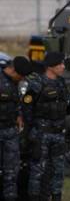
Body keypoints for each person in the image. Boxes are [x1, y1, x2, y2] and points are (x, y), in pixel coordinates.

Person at [21, 52, 68, 201]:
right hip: (41, 134)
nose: (63, 66)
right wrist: (32, 129)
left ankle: (56, 196)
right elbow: (27, 107)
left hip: (58, 134)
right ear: (50, 67)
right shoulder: (36, 83)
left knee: (58, 170)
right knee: (38, 170)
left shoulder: (61, 82)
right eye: (60, 64)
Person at [0, 56, 32, 201]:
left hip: (10, 132)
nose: (22, 79)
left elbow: (17, 102)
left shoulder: (16, 83)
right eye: (21, 76)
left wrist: (19, 115)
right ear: (12, 70)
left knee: (12, 171)